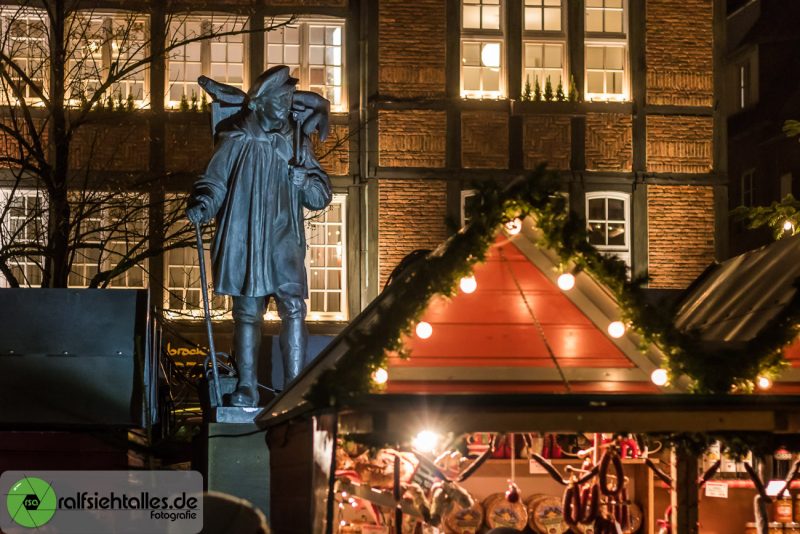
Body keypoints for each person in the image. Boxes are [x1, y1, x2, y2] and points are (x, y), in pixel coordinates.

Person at [186, 66, 332, 407]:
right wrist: (203, 203)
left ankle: (294, 388)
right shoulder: (236, 135)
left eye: (288, 100)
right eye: (280, 100)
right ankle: (248, 386)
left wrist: (306, 184)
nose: (286, 106)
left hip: (283, 239)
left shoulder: (296, 141)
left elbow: (320, 195)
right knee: (248, 311)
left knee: (293, 308)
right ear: (260, 103)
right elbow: (215, 180)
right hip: (248, 236)